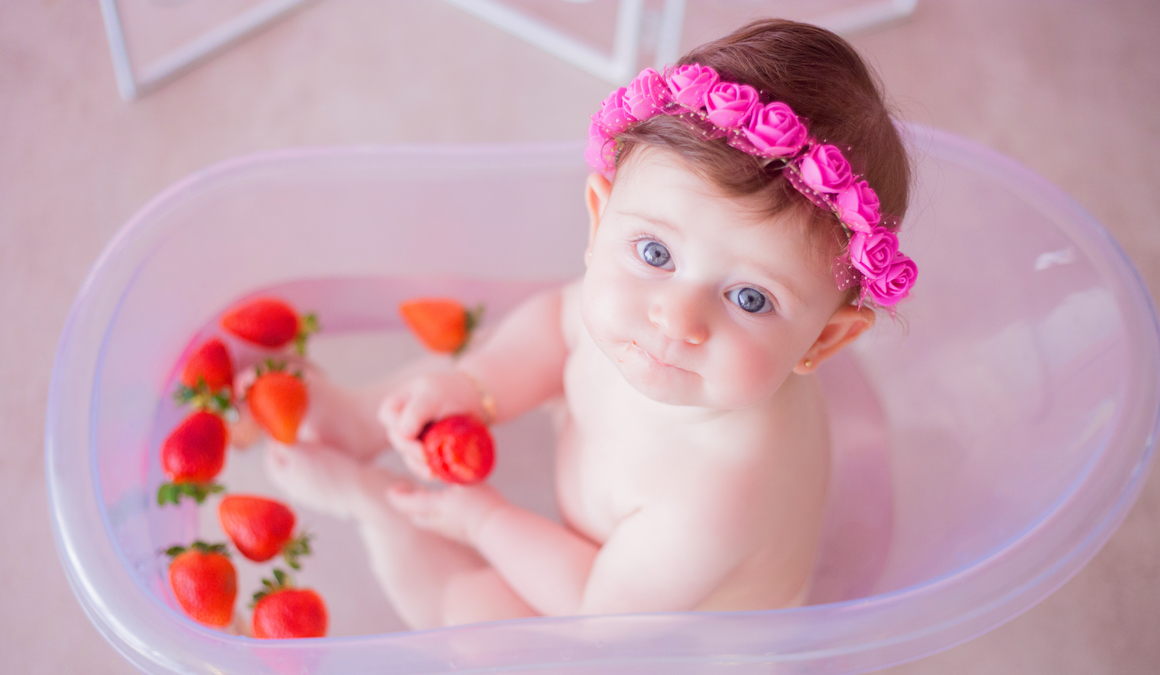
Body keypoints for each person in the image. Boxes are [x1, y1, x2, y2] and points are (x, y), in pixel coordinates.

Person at [264, 19, 917, 630]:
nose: (676, 317)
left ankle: (376, 503)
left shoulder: (723, 495)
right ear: (600, 219)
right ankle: (364, 415)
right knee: (485, 360)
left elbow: (599, 611)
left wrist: (483, 518)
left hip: (641, 606)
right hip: (599, 494)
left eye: (750, 299)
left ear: (824, 340)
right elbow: (555, 323)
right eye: (656, 254)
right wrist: (476, 390)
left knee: (472, 624)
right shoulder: (640, 320)